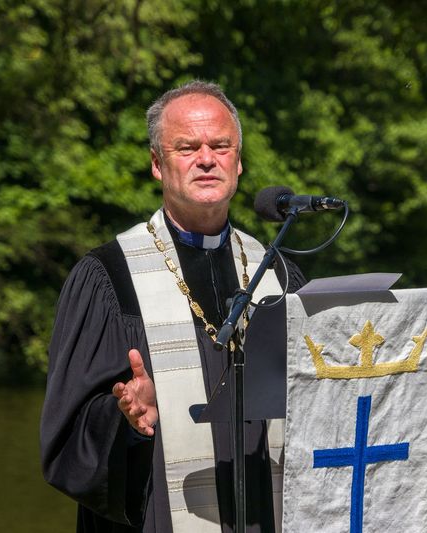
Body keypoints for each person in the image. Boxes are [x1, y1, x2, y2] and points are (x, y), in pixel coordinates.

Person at [40, 80, 305, 533]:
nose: (206, 159)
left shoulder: (276, 273)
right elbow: (67, 440)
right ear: (158, 165)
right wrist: (125, 421)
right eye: (187, 147)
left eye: (221, 145)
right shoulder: (108, 278)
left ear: (238, 163)